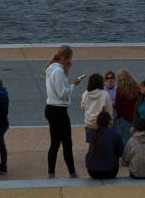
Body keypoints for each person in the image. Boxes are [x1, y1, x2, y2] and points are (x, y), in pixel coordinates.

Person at [45, 45, 82, 178]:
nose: (70, 61)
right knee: (67, 143)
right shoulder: (58, 71)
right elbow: (62, 94)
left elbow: (58, 88)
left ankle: (51, 173)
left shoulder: (52, 69)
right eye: (70, 58)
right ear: (65, 58)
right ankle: (72, 173)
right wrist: (73, 84)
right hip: (58, 110)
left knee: (55, 143)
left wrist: (66, 71)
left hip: (51, 108)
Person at [86, 110, 123, 179]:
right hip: (110, 171)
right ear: (109, 121)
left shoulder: (92, 134)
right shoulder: (115, 134)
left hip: (93, 171)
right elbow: (120, 153)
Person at [82, 73, 114, 140]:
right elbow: (109, 111)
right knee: (103, 145)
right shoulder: (105, 94)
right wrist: (110, 123)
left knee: (92, 145)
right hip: (102, 126)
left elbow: (83, 107)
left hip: (89, 124)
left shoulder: (85, 94)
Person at [113, 69, 141, 145]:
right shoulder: (137, 87)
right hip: (136, 118)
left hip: (125, 118)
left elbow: (118, 107)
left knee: (125, 138)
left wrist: (118, 117)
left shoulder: (120, 90)